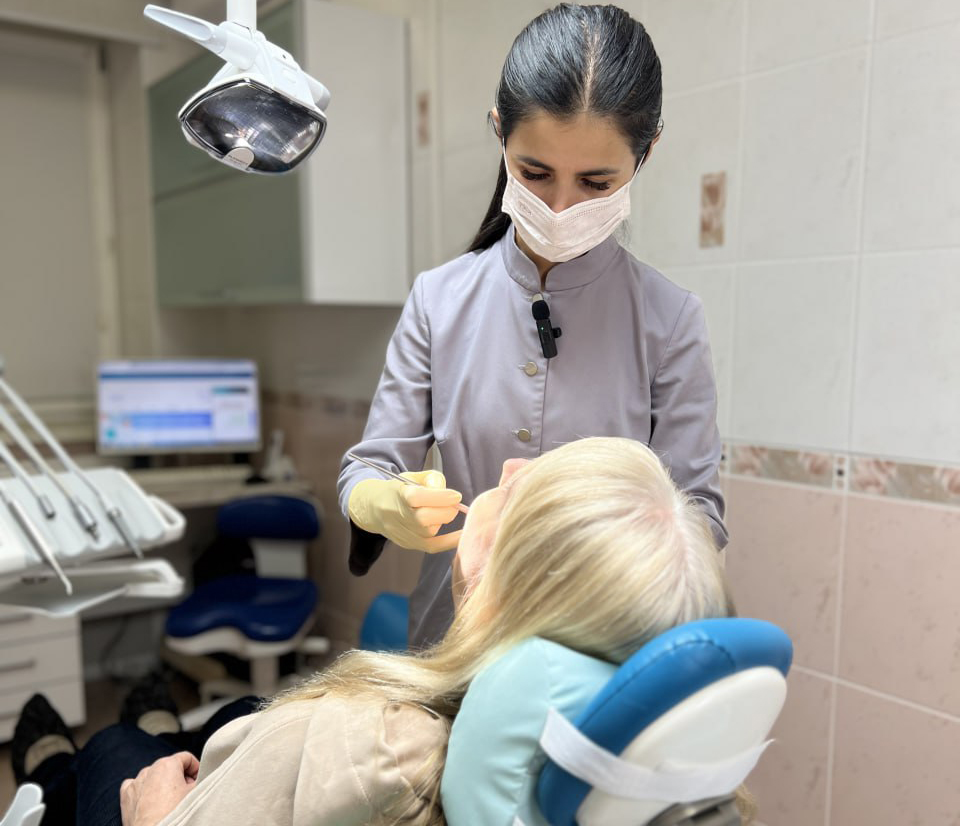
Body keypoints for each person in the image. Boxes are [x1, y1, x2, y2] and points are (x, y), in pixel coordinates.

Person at [11, 437, 731, 826]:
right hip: (261, 758)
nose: (510, 464)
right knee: (237, 712)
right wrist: (371, 493)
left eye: (516, 493)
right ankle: (165, 726)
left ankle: (53, 768)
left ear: (502, 587)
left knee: (114, 747)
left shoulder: (378, 747)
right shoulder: (641, 776)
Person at [339, 3, 727, 650]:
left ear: (646, 153)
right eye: (535, 173)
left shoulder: (669, 321)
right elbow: (371, 466)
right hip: (452, 640)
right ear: (500, 132)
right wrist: (383, 502)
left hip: (600, 650)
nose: (560, 207)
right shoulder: (439, 300)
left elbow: (700, 518)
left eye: (596, 182)